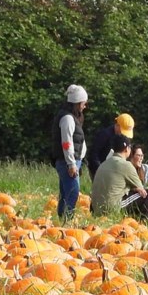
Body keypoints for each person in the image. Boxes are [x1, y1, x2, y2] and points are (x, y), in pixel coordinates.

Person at [90, 133, 148, 221]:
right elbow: (142, 190)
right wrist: (135, 189)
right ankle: (141, 222)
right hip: (111, 208)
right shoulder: (125, 165)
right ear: (127, 149)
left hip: (95, 208)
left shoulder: (104, 163)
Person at [50, 84, 89, 222]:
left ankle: (62, 220)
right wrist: (71, 163)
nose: (85, 105)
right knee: (73, 193)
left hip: (72, 161)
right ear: (77, 103)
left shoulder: (72, 117)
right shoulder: (67, 118)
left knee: (65, 193)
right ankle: (67, 221)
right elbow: (67, 142)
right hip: (68, 162)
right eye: (84, 102)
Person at [88, 113, 136, 179]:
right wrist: (99, 169)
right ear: (117, 125)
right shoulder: (105, 135)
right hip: (98, 169)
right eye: (123, 131)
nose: (124, 135)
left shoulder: (124, 138)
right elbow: (94, 153)